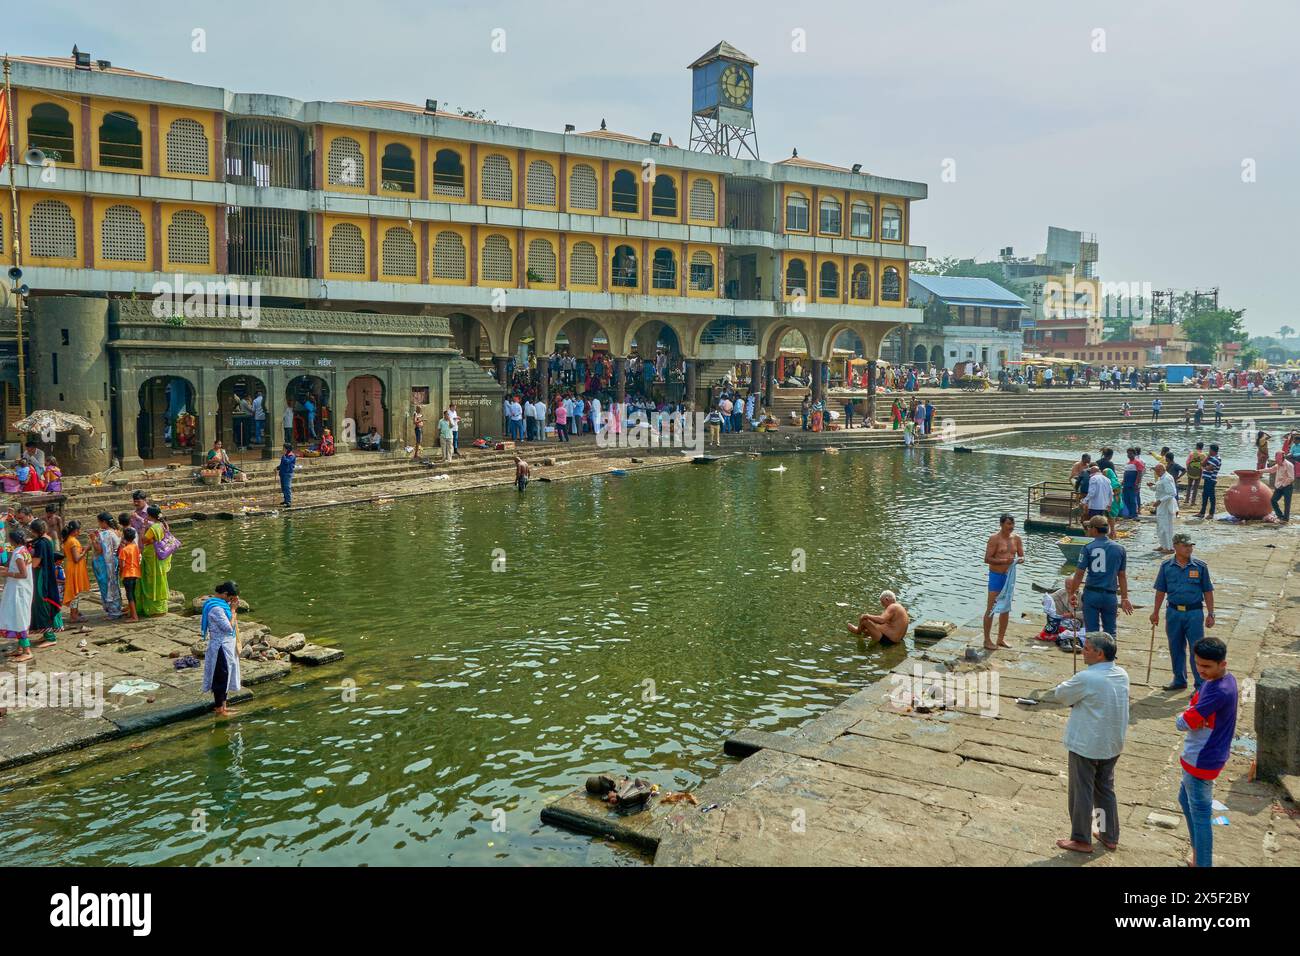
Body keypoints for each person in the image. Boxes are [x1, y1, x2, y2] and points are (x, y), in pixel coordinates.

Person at [1028, 633, 1128, 854]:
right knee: (1104, 788)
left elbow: (1062, 694)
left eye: (1087, 648)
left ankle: (1082, 838)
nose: (1082, 651)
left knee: (1081, 791)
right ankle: (1108, 834)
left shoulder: (1088, 677)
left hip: (1087, 744)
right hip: (1111, 743)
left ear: (1099, 654)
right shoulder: (1121, 674)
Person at [1174, 637, 1237, 867]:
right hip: (1207, 753)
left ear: (1223, 664)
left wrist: (1186, 715)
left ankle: (1202, 862)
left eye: (1207, 666)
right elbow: (1195, 705)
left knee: (1200, 815)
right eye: (1198, 664)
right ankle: (1198, 854)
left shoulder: (1218, 691)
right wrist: (1194, 712)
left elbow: (1182, 722)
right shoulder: (1226, 681)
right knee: (1184, 798)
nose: (1201, 671)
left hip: (1202, 758)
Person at [1150, 533, 1215, 692]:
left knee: (1196, 649)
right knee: (1175, 647)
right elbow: (1160, 591)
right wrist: (1155, 612)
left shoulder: (1200, 567)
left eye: (1190, 546)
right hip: (1173, 612)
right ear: (1175, 547)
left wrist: (1211, 613)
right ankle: (1179, 679)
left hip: (1194, 613)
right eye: (1185, 546)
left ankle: (1200, 684)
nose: (1189, 549)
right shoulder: (1166, 567)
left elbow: (1208, 591)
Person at [1065, 515, 1133, 640]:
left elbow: (1079, 573)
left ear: (1095, 530)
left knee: (1091, 631)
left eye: (1089, 527)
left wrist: (1073, 593)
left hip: (1092, 594)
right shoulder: (1120, 549)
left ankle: (1093, 657)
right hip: (1110, 595)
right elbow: (1122, 576)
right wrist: (1124, 597)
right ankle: (1110, 655)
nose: (1088, 530)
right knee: (1110, 631)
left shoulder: (1088, 548)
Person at [982, 514, 1024, 650]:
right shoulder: (994, 539)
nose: (1011, 527)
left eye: (1012, 524)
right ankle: (987, 640)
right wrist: (1003, 561)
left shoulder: (1016, 538)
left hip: (1009, 577)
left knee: (1005, 608)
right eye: (1008, 524)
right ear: (1001, 524)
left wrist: (1021, 559)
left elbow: (1021, 555)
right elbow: (987, 558)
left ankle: (1000, 639)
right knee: (992, 607)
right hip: (996, 576)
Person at [201, 581, 242, 717]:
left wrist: (231, 608)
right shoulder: (216, 609)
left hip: (227, 646)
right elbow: (228, 627)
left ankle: (224, 707)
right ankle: (219, 709)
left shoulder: (222, 605)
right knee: (220, 677)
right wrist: (233, 610)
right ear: (225, 594)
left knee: (226, 676)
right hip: (220, 648)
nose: (231, 601)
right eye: (230, 598)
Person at [0, 529, 35, 663]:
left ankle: (27, 650)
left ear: (13, 540)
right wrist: (5, 570)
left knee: (19, 617)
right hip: (20, 589)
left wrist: (6, 574)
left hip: (19, 590)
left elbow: (23, 574)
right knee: (17, 616)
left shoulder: (19, 554)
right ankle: (20, 648)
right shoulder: (23, 550)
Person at [26, 518, 63, 645]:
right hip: (47, 574)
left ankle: (50, 637)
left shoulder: (41, 543)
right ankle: (46, 633)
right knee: (41, 603)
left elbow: (35, 563)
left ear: (34, 531)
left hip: (42, 576)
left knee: (42, 603)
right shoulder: (47, 540)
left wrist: (23, 561)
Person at [139, 506, 175, 618]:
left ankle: (154, 610)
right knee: (161, 581)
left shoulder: (153, 528)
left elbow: (143, 540)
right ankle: (162, 608)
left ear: (149, 515)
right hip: (161, 558)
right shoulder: (163, 525)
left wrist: (144, 526)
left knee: (152, 583)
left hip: (153, 558)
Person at [89, 512, 123, 619]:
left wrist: (93, 539)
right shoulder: (117, 532)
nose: (99, 525)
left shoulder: (106, 534)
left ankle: (113, 611)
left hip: (106, 563)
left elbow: (99, 550)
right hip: (114, 561)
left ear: (104, 522)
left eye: (99, 522)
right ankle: (115, 609)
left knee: (107, 586)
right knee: (114, 585)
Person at [60, 521, 89, 625]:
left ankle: (75, 612)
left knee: (75, 592)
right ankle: (73, 615)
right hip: (74, 568)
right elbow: (76, 558)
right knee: (74, 593)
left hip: (71, 566)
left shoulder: (68, 540)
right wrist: (85, 551)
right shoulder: (73, 541)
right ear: (75, 531)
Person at [1151, 462, 1179, 553]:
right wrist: (1152, 487)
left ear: (1163, 470)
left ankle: (1169, 548)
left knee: (1166, 527)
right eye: (1156, 471)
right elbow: (1160, 488)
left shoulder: (1166, 478)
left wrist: (1160, 500)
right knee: (1160, 526)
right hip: (1161, 505)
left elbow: (1172, 493)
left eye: (1158, 470)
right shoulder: (1162, 477)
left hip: (1166, 506)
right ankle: (1163, 545)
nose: (1156, 472)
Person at [1082, 464, 1115, 538]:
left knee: (1094, 525)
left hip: (1095, 506)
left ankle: (1093, 539)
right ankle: (1101, 539)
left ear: (1092, 472)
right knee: (1100, 524)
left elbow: (1091, 493)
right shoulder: (1107, 479)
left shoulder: (1093, 478)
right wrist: (1109, 504)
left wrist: (1084, 502)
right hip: (1103, 506)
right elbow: (1111, 494)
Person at [1263, 451, 1294, 522]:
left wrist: (1283, 485)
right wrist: (1259, 471)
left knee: (1287, 503)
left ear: (1282, 458)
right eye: (1276, 459)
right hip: (1279, 486)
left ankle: (1286, 519)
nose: (1276, 460)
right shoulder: (1278, 465)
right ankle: (1280, 515)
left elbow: (1291, 478)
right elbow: (1271, 470)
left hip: (1287, 487)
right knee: (1273, 500)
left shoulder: (1289, 465)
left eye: (1277, 459)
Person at [119, 526, 142, 621]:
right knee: (132, 593)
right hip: (135, 573)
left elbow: (122, 565)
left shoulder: (124, 550)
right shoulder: (135, 547)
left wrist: (121, 573)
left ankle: (134, 616)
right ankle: (132, 612)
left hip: (127, 574)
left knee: (129, 595)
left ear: (124, 538)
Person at [1197, 444, 1222, 518]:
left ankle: (1211, 513)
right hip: (1207, 479)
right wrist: (1207, 457)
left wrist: (1205, 466)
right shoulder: (1211, 458)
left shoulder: (1216, 459)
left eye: (1210, 449)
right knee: (1204, 496)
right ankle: (1202, 512)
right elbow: (1202, 464)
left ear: (1213, 450)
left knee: (1211, 496)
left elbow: (1208, 468)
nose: (1209, 451)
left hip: (1211, 480)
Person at [1185, 442, 1206, 506]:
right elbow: (1204, 465)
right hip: (1198, 471)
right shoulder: (1204, 455)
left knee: (1189, 485)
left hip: (1191, 470)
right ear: (1202, 447)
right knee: (1196, 487)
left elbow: (1187, 462)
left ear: (1196, 447)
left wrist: (1188, 468)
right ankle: (1193, 501)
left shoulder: (1192, 454)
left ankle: (1187, 499)